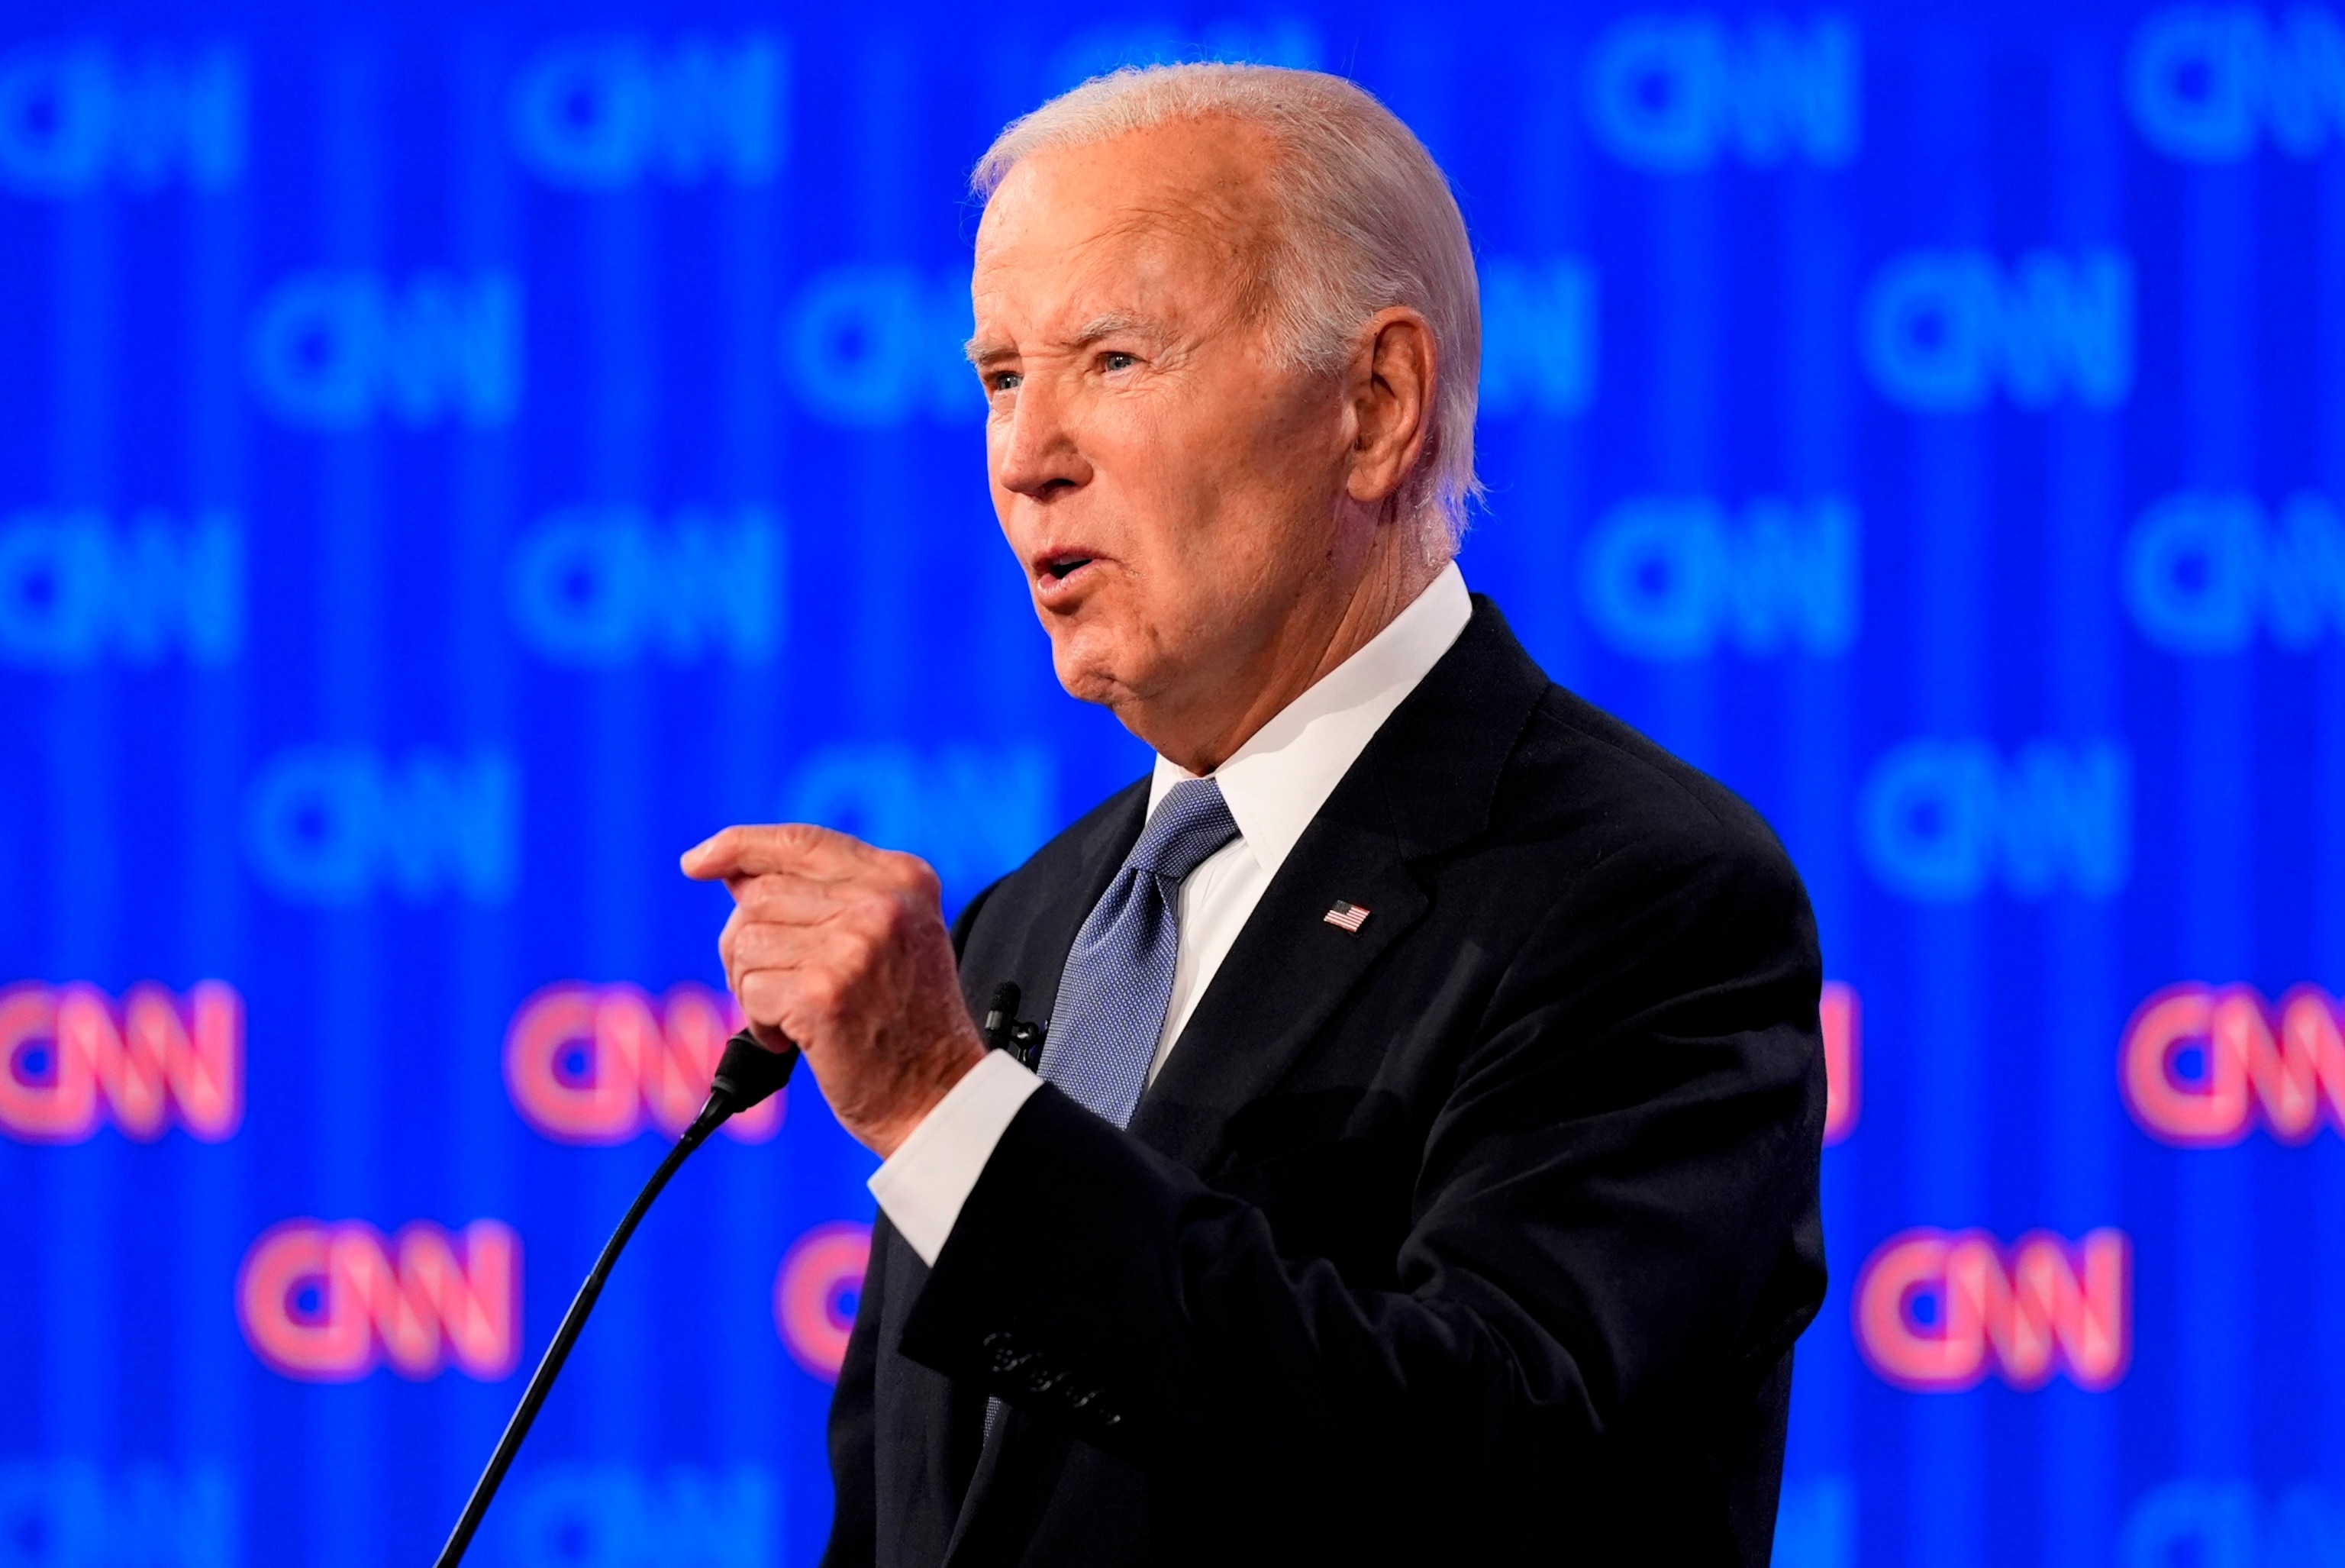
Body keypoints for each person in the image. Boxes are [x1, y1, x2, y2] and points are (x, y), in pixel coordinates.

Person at [682, 62, 1826, 1567]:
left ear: (1374, 405)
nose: (1027, 456)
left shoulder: (1641, 894)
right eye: (1001, 376)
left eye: (1112, 358)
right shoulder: (1028, 926)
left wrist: (952, 1119)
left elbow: (1499, 1465)